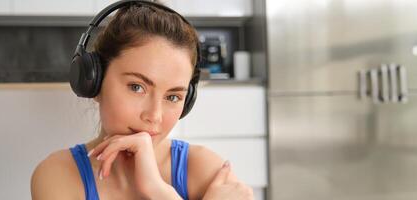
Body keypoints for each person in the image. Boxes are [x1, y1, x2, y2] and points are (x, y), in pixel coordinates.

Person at [31, 1, 253, 199]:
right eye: (137, 87)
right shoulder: (58, 175)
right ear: (93, 82)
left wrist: (158, 190)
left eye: (173, 96)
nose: (154, 116)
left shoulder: (204, 168)